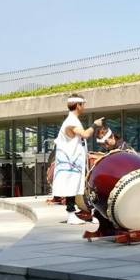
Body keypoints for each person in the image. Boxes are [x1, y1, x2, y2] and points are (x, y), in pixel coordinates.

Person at [52, 94, 104, 224]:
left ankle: (79, 213)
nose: (84, 107)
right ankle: (71, 214)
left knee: (75, 187)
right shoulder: (71, 122)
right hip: (70, 162)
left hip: (73, 161)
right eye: (83, 105)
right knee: (71, 187)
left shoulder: (72, 120)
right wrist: (95, 124)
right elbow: (85, 134)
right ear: (78, 105)